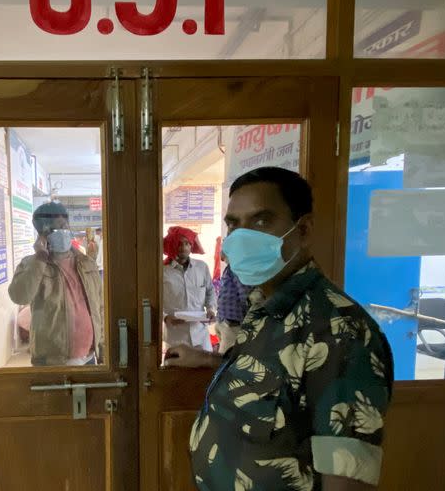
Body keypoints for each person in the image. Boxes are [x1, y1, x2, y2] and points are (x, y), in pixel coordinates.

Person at [166, 167, 393, 491]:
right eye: (234, 224)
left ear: (303, 230)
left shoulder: (340, 332)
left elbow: (345, 479)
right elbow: (278, 375)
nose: (241, 237)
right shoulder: (265, 305)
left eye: (261, 221)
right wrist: (209, 360)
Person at [8, 201, 104, 366]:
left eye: (65, 226)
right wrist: (40, 257)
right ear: (42, 233)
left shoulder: (86, 263)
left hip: (89, 359)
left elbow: (100, 307)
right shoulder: (31, 264)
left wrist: (103, 350)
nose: (64, 232)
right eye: (55, 229)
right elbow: (20, 296)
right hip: (51, 363)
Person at [162, 226, 216, 351]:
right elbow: (153, 299)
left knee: (204, 370)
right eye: (179, 244)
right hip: (175, 337)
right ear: (172, 245)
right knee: (176, 371)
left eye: (187, 243)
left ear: (191, 246)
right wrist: (165, 317)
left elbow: (210, 291)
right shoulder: (162, 271)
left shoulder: (202, 267)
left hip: (200, 335)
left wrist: (211, 309)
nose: (184, 248)